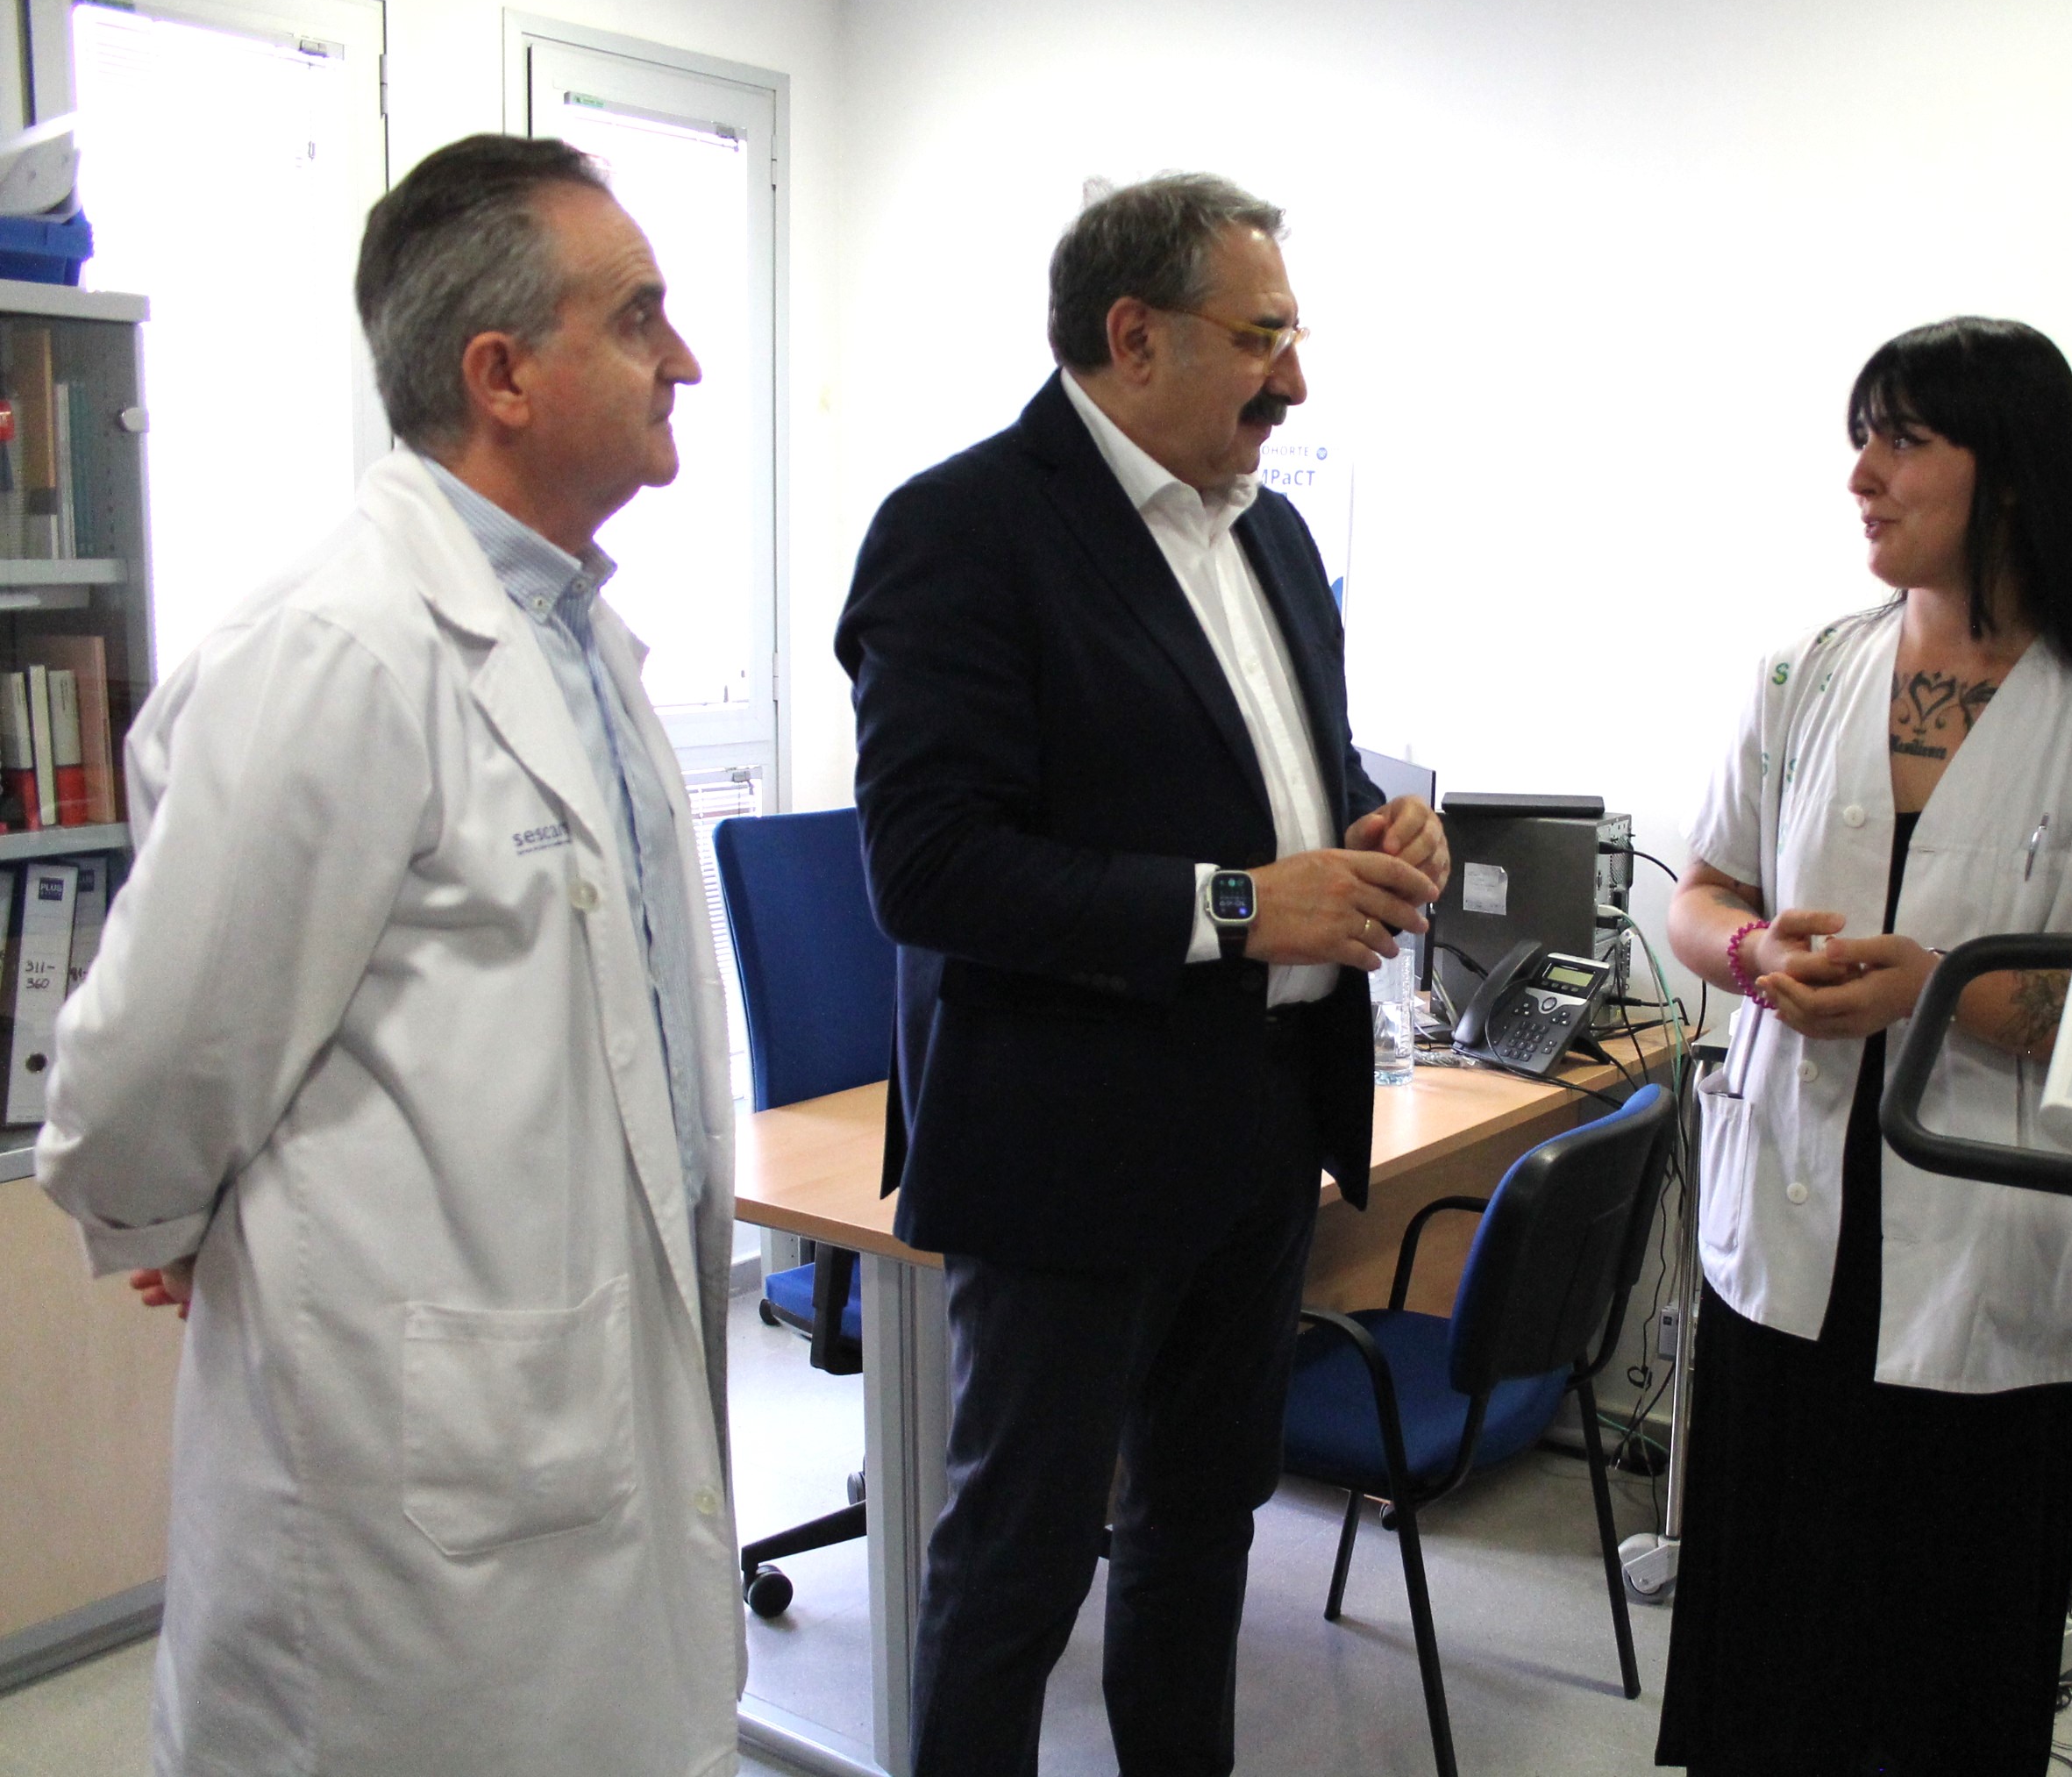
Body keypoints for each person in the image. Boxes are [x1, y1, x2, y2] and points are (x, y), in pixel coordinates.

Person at [36, 135, 743, 1777]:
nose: (685, 361)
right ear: (502, 376)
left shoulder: (576, 641)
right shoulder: (338, 654)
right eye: (639, 318)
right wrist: (181, 1222)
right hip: (415, 1502)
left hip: (573, 1422)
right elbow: (139, 1086)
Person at [834, 172, 1446, 1776]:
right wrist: (1249, 907)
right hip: (1067, 1140)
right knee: (1021, 1563)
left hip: (1259, 1123)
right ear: (1134, 336)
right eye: (1262, 337)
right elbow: (930, 870)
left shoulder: (1272, 534)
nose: (1294, 381)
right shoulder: (963, 531)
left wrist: (1373, 832)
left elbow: (1281, 776)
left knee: (1201, 1528)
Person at [1654, 317, 2072, 1776]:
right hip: (1786, 1247)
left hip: (1991, 1270)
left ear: (2012, 474)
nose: (1862, 476)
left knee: (1940, 1679)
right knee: (1770, 1667)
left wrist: (1937, 993)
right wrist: (1754, 955)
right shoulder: (1806, 677)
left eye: (1904, 441)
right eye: (1861, 440)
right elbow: (1699, 891)